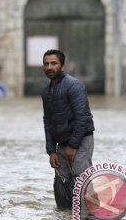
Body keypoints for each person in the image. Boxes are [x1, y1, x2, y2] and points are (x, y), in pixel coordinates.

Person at [41, 49, 95, 208]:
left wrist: (73, 145)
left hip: (81, 139)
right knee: (61, 183)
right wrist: (51, 151)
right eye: (46, 64)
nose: (49, 67)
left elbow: (82, 117)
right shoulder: (46, 91)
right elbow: (48, 121)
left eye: (53, 63)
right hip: (61, 144)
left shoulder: (74, 86)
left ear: (62, 66)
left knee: (82, 181)